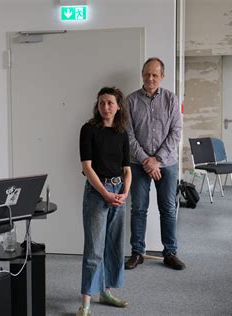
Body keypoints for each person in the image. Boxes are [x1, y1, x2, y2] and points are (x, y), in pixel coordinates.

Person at [125, 57, 186, 271]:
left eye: (155, 75)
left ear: (162, 76)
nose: (150, 78)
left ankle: (170, 252)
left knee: (168, 208)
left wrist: (156, 160)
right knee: (139, 208)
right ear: (142, 74)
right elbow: (128, 135)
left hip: (167, 164)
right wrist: (145, 160)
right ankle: (137, 252)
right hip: (137, 164)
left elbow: (176, 132)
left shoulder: (171, 99)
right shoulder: (130, 101)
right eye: (147, 74)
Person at [77, 87, 132, 316]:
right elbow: (87, 167)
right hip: (97, 193)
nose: (105, 107)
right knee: (94, 249)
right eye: (101, 103)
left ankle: (106, 292)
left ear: (118, 106)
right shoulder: (88, 130)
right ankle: (86, 303)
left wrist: (125, 192)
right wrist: (105, 193)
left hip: (119, 192)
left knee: (114, 246)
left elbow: (127, 169)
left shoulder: (122, 133)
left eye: (110, 103)